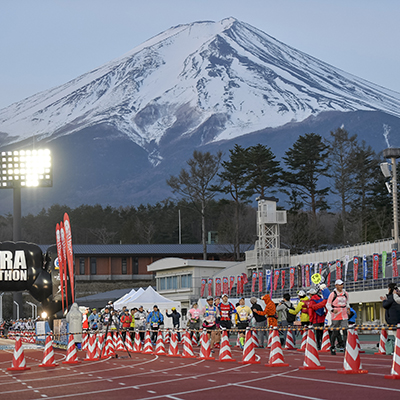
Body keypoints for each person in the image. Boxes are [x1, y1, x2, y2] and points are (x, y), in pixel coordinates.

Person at [326, 279, 350, 355]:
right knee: (335, 332)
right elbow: (328, 305)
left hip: (344, 314)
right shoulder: (333, 294)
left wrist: (348, 308)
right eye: (339, 285)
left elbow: (347, 302)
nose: (341, 286)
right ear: (336, 285)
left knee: (345, 331)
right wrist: (332, 310)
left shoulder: (346, 293)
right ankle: (332, 346)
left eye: (342, 284)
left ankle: (346, 347)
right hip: (336, 314)